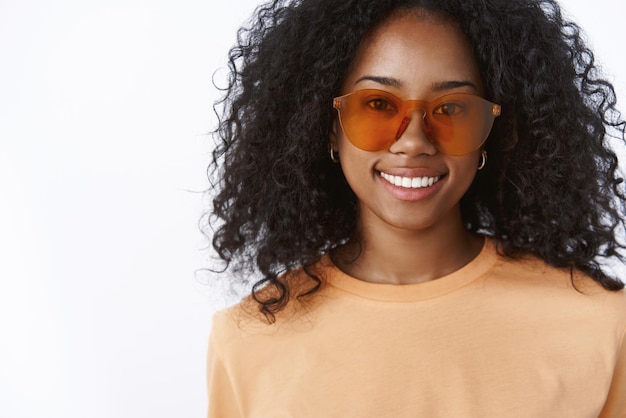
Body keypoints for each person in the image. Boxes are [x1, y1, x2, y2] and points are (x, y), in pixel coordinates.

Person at [205, 0, 626, 416]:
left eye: (452, 109)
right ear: (329, 128)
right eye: (378, 104)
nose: (414, 142)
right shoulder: (249, 341)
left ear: (493, 133)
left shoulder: (600, 326)